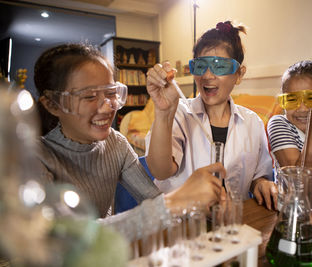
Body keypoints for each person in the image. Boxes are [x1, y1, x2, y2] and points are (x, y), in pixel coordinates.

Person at [34, 43, 225, 221]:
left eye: (110, 93)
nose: (107, 107)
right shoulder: (35, 157)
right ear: (52, 104)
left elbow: (152, 199)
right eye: (89, 96)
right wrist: (174, 202)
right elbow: (66, 238)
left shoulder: (116, 143)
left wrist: (198, 207)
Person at [145, 21, 276, 210]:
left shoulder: (252, 123)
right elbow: (161, 170)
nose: (207, 75)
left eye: (219, 66)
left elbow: (258, 175)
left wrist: (261, 184)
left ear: (239, 74)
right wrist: (164, 113)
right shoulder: (179, 112)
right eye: (200, 66)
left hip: (230, 225)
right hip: (184, 224)